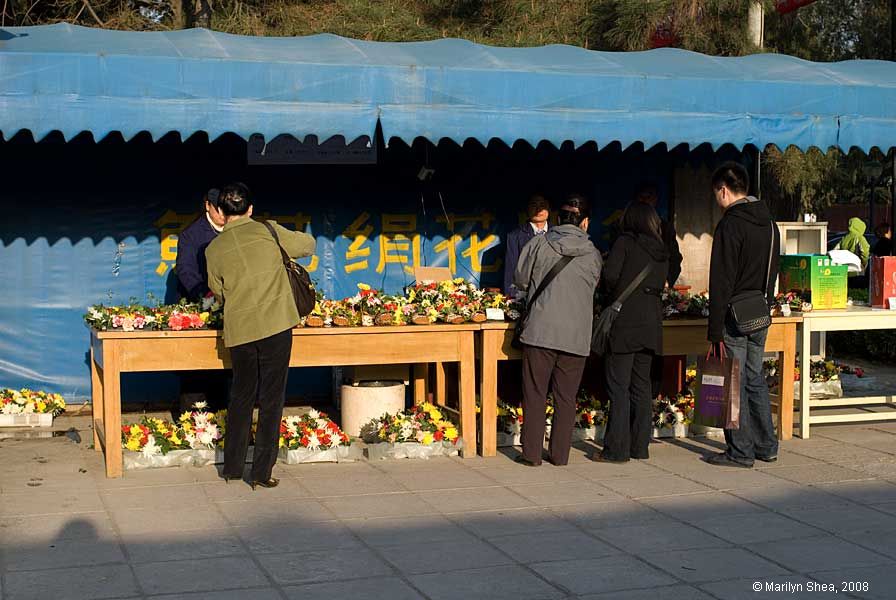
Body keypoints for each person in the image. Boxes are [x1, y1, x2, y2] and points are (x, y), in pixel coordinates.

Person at [205, 183, 316, 488]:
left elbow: (217, 290)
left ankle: (231, 468)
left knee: (240, 396)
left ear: (221, 214)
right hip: (276, 325)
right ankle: (261, 473)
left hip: (240, 330)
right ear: (250, 209)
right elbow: (308, 246)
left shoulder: (213, 250)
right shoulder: (269, 231)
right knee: (271, 398)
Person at [513, 194, 602, 466]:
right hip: (576, 336)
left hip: (540, 330)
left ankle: (531, 455)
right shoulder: (594, 254)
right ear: (585, 223)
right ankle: (560, 456)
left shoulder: (538, 244)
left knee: (535, 393)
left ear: (558, 219)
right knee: (566, 397)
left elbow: (520, 280)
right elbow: (595, 287)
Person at [706, 162, 780, 468]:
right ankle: (766, 445)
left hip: (734, 314)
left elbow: (721, 279)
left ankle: (740, 451)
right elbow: (774, 269)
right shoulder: (770, 223)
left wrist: (713, 330)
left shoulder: (730, 224)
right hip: (760, 311)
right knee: (753, 378)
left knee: (730, 383)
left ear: (723, 190)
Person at [597, 202, 669, 463]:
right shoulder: (661, 249)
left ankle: (616, 449)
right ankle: (640, 447)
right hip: (651, 323)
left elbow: (610, 278)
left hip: (625, 322)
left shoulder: (624, 243)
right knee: (641, 386)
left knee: (618, 386)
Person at [175, 188, 228, 413]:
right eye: (219, 210)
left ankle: (223, 417)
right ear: (207, 205)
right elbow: (186, 271)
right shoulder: (191, 235)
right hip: (199, 307)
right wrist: (206, 296)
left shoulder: (236, 230)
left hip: (231, 310)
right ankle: (192, 421)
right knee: (196, 370)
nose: (223, 215)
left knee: (226, 368)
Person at [635, 184, 683, 287]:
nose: (645, 202)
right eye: (642, 198)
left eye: (648, 197)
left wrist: (667, 281)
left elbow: (675, 259)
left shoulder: (665, 229)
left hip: (655, 288)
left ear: (655, 200)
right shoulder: (627, 228)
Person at [504, 194, 551, 298]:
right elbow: (511, 270)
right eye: (534, 205)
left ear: (548, 208)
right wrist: (512, 299)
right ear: (527, 209)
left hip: (553, 293)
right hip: (526, 294)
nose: (538, 209)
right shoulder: (515, 236)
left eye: (542, 205)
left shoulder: (558, 234)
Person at [835, 217, 871, 286]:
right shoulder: (860, 237)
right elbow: (865, 252)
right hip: (857, 270)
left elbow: (835, 251)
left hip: (844, 270)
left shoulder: (844, 238)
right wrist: (864, 263)